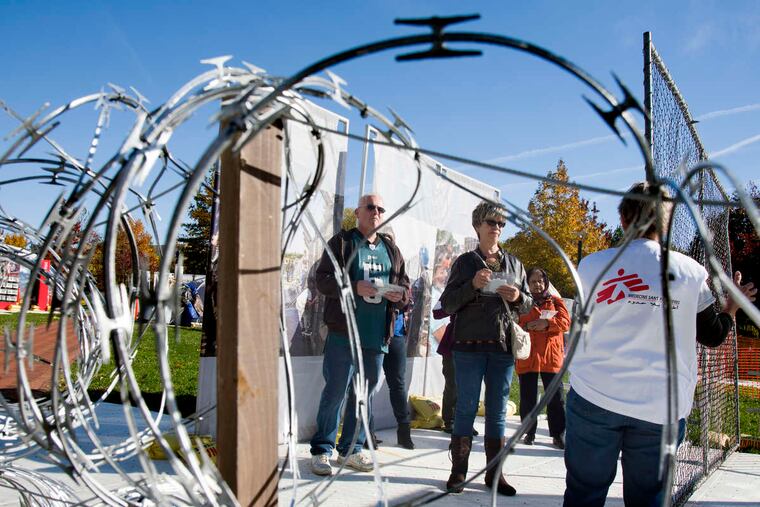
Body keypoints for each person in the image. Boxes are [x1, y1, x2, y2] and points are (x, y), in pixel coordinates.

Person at [564, 182, 757, 506]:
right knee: (650, 499)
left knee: (584, 494)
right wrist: (732, 308)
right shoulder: (689, 272)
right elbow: (712, 335)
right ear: (666, 223)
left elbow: (580, 327)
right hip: (660, 408)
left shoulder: (592, 265)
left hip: (594, 398)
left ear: (624, 219)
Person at [309, 194, 410, 476]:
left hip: (377, 336)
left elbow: (406, 288)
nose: (376, 211)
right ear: (358, 212)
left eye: (380, 208)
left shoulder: (391, 250)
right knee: (335, 392)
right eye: (371, 207)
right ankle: (321, 450)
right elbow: (323, 280)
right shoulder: (342, 242)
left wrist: (398, 295)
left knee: (362, 396)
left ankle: (351, 449)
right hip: (344, 334)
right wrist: (354, 286)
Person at [440, 201, 533, 496]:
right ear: (478, 225)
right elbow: (447, 303)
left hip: (502, 347)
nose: (497, 228)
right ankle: (458, 472)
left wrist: (518, 295)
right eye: (491, 222)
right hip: (467, 346)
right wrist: (472, 285)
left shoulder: (515, 264)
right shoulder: (464, 262)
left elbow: (530, 304)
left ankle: (495, 475)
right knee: (466, 408)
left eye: (501, 224)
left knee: (497, 413)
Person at [516, 267, 570, 448]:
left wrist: (546, 323)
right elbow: (514, 321)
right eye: (533, 281)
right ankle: (528, 433)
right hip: (528, 355)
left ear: (546, 283)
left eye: (541, 281)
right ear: (527, 283)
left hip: (550, 356)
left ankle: (558, 434)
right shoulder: (521, 301)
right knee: (527, 398)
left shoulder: (555, 301)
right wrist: (528, 324)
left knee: (555, 398)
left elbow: (565, 322)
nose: (537, 285)